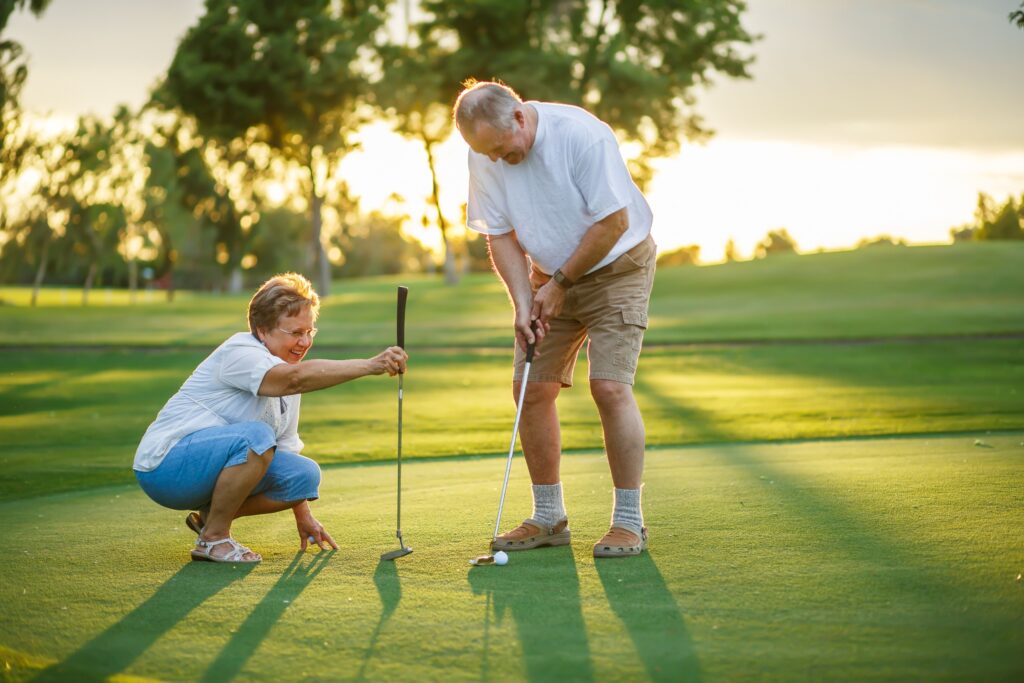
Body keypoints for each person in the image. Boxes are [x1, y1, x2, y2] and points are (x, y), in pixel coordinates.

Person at [453, 81, 657, 558]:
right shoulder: (484, 152)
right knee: (530, 387)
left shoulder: (583, 136)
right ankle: (549, 518)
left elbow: (614, 223)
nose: (499, 161)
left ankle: (629, 522)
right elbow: (499, 233)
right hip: (547, 277)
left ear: (520, 118)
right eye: (488, 154)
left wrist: (560, 285)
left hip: (618, 268)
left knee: (608, 386)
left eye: (503, 150)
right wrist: (524, 303)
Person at [133, 272, 408, 564]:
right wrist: (370, 365)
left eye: (309, 332)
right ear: (263, 330)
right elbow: (292, 381)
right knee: (256, 436)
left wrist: (304, 517)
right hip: (166, 468)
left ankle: (209, 520)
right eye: (295, 333)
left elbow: (285, 444)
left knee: (304, 476)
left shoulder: (289, 372)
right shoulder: (240, 353)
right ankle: (214, 539)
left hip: (207, 468)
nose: (304, 342)